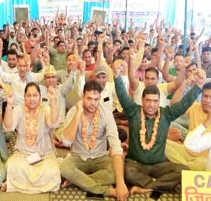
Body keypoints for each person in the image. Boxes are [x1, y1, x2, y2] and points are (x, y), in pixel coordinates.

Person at [113, 59, 206, 195]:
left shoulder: (166, 114)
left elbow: (184, 104)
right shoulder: (134, 111)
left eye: (155, 101)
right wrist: (116, 75)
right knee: (128, 173)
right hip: (136, 163)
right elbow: (122, 95)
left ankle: (147, 187)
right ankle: (159, 184)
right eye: (148, 100)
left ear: (159, 102)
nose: (151, 105)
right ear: (142, 101)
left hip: (160, 164)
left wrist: (198, 86)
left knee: (183, 171)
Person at [60, 80, 129, 200]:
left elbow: (115, 146)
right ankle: (106, 191)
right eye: (89, 98)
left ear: (100, 98)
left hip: (100, 157)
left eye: (96, 99)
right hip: (78, 157)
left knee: (115, 174)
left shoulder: (106, 113)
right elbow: (66, 141)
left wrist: (120, 183)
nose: (92, 103)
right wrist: (78, 114)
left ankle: (77, 180)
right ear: (83, 97)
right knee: (65, 168)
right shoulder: (73, 112)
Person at [2, 82, 61, 193]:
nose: (32, 99)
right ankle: (16, 183)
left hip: (44, 153)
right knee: (12, 166)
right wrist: (9, 105)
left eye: (35, 95)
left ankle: (14, 184)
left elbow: (53, 123)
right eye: (28, 95)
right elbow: (8, 127)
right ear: (24, 97)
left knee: (52, 170)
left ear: (40, 96)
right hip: (23, 153)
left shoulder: (46, 109)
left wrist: (53, 101)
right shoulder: (19, 109)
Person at [165, 82, 211, 171]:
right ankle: (184, 168)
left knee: (204, 166)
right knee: (161, 142)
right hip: (185, 151)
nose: (208, 100)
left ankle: (180, 168)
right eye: (205, 96)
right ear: (201, 96)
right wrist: (185, 82)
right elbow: (174, 103)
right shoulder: (194, 106)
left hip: (202, 159)